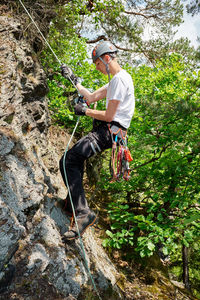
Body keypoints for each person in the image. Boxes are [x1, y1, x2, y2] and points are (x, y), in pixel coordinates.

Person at [60, 41, 135, 240]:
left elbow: (110, 115)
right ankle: (71, 205)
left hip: (109, 131)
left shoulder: (120, 79)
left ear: (107, 58)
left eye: (98, 64)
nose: (97, 68)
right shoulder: (116, 80)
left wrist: (85, 111)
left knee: (69, 160)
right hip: (110, 132)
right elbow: (91, 97)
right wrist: (73, 79)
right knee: (74, 159)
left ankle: (83, 212)